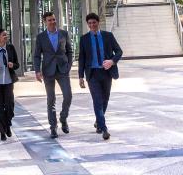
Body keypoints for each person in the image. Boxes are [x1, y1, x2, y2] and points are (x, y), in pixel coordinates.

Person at [78, 12, 123, 140]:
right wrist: (80, 76)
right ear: (88, 24)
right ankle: (104, 128)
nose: (92, 25)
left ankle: (99, 121)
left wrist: (112, 61)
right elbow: (82, 59)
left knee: (105, 99)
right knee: (97, 101)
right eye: (90, 23)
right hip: (92, 74)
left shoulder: (108, 36)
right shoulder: (84, 39)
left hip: (106, 72)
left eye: (94, 22)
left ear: (98, 23)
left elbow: (119, 51)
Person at [33, 11, 73, 138]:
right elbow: (37, 55)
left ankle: (63, 118)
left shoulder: (63, 34)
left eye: (54, 19)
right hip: (48, 71)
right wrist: (37, 71)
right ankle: (53, 126)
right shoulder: (41, 37)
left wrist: (69, 65)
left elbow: (69, 51)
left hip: (63, 70)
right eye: (49, 20)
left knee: (68, 96)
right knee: (51, 100)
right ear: (45, 22)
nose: (52, 22)